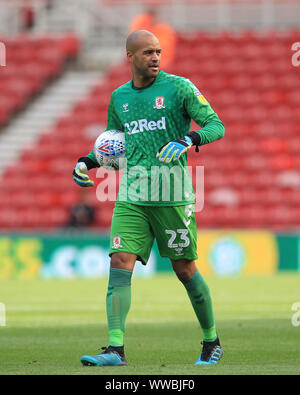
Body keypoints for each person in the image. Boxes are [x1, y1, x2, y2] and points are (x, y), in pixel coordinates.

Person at [73, 30, 225, 366]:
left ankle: (211, 340)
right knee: (119, 263)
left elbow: (216, 125)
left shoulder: (179, 87)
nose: (155, 57)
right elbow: (114, 147)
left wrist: (189, 139)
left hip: (172, 194)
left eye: (158, 51)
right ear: (130, 56)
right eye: (147, 52)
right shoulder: (119, 98)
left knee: (184, 269)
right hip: (132, 195)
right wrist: (87, 161)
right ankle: (115, 349)